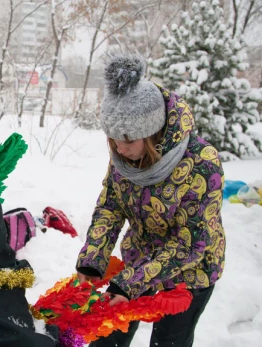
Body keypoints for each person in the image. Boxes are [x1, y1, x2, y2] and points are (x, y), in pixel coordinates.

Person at [75, 54, 225, 347]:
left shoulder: (201, 163)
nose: (119, 147)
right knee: (107, 334)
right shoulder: (124, 154)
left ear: (153, 131)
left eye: (128, 139)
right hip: (140, 258)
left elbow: (190, 243)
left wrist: (130, 284)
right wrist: (93, 260)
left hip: (190, 272)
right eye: (113, 138)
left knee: (169, 341)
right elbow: (111, 206)